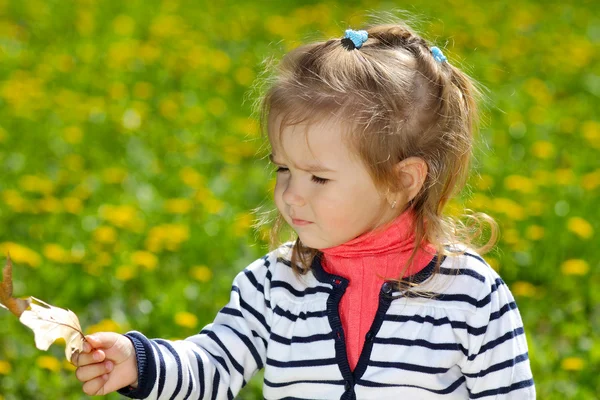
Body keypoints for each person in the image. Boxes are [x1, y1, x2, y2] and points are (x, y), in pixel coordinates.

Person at [72, 21, 536, 399]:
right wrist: (140, 363)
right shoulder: (274, 283)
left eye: (319, 177)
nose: (292, 194)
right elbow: (215, 363)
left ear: (402, 180)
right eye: (283, 169)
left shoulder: (469, 295)